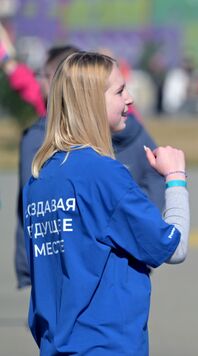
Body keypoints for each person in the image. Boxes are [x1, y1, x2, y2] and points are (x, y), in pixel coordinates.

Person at [23, 51, 189, 354]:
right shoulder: (102, 173)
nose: (130, 99)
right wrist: (176, 178)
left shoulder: (40, 177)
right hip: (106, 345)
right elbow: (172, 247)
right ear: (91, 103)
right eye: (120, 91)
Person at [0, 37, 165, 289]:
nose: (41, 83)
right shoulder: (59, 153)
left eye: (45, 76)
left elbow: (167, 244)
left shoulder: (102, 166)